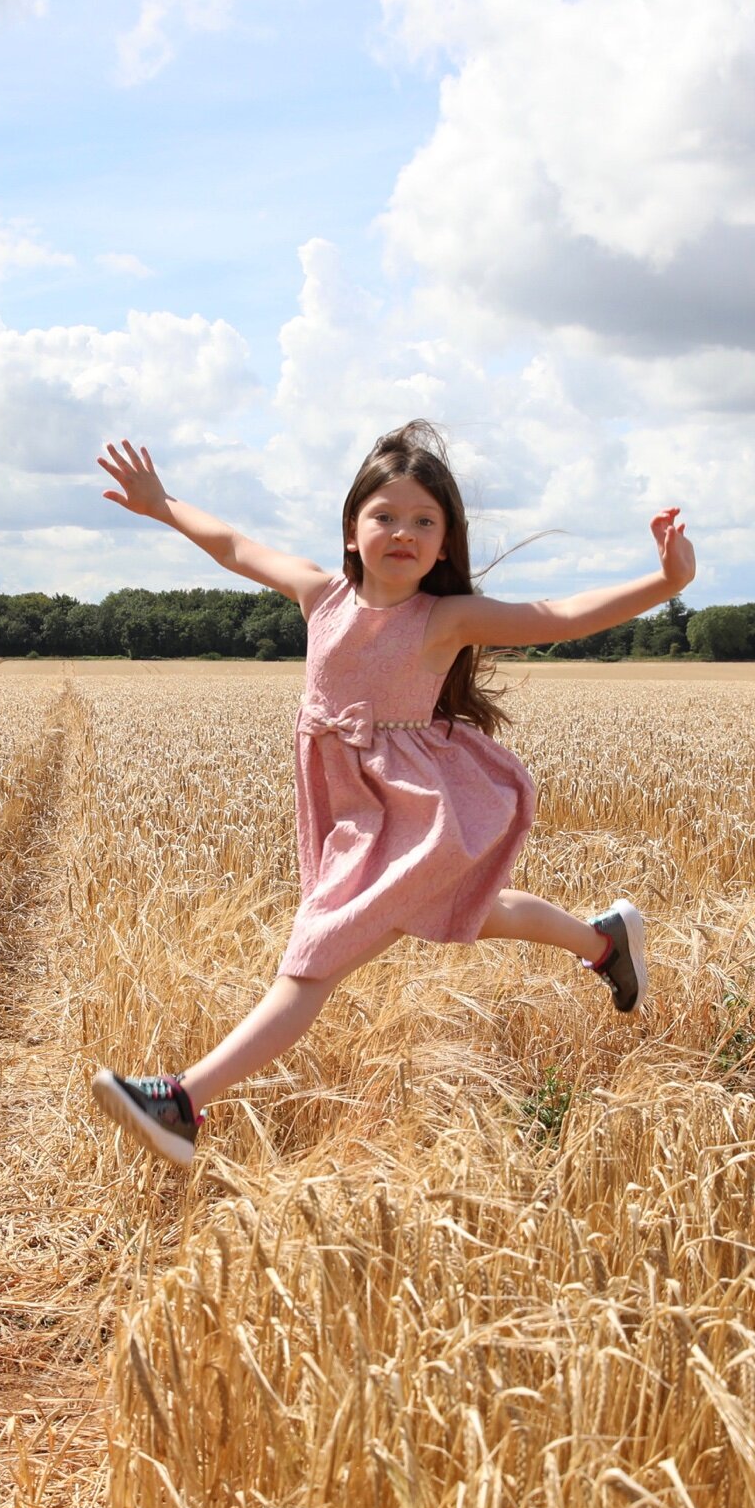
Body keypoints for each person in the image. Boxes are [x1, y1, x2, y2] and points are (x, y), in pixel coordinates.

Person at [88, 422, 696, 1167]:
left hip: (414, 810)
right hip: (350, 809)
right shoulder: (320, 595)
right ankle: (605, 941)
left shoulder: (445, 619)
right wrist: (162, 502)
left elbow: (559, 617)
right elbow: (233, 545)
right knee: (476, 911)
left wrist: (667, 583)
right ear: (352, 529)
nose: (403, 531)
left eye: (424, 521)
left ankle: (183, 1099)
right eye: (385, 515)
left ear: (445, 544)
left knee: (312, 957)